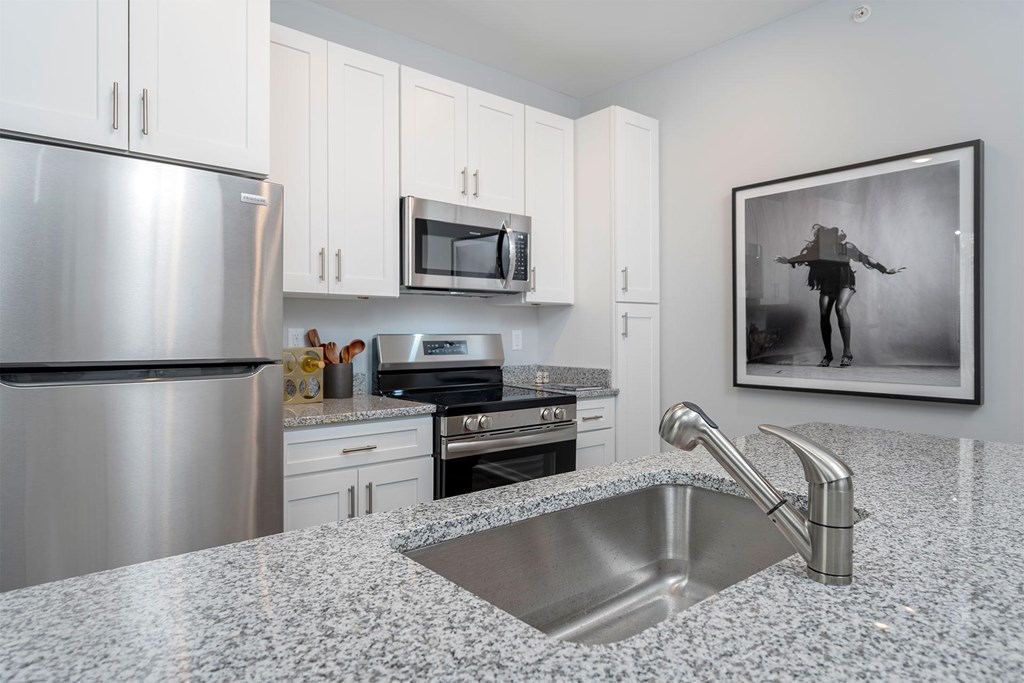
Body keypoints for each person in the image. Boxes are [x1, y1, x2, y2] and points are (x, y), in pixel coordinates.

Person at [774, 224, 905, 368]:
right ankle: (828, 355)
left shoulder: (846, 248)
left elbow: (865, 258)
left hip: (845, 281)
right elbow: (804, 257)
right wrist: (787, 260)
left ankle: (847, 353)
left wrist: (885, 270)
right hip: (828, 284)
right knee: (824, 314)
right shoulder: (818, 251)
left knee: (840, 308)